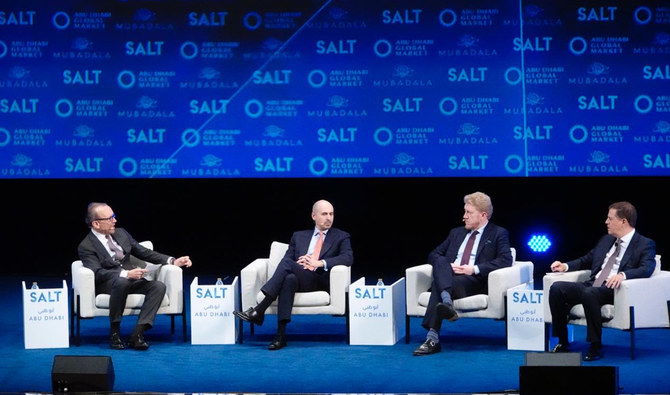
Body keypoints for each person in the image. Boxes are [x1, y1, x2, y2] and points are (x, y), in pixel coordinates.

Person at [234, 199, 353, 350]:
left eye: (331, 214)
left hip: (319, 279)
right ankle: (280, 336)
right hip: (298, 277)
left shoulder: (341, 236)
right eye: (324, 214)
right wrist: (300, 265)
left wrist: (319, 262)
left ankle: (259, 309)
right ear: (313, 216)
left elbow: (348, 257)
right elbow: (287, 259)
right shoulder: (299, 236)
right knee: (288, 278)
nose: (329, 217)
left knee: (288, 265)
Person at [548, 201, 656, 361]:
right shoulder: (607, 240)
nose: (606, 222)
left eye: (610, 218)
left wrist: (623, 275)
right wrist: (564, 266)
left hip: (614, 290)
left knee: (589, 292)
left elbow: (647, 268)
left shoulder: (644, 244)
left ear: (623, 221)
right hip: (593, 285)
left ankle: (595, 345)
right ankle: (563, 341)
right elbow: (587, 259)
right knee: (557, 288)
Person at [77, 202, 192, 350]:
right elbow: (98, 273)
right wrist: (125, 274)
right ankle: (115, 333)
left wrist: (172, 261)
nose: (115, 221)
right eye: (110, 218)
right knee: (122, 282)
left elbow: (144, 252)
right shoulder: (86, 246)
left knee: (158, 286)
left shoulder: (121, 233)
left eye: (114, 216)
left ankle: (137, 334)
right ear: (96, 224)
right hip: (109, 284)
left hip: (133, 280)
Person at [413, 191, 513, 356]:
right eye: (464, 211)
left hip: (473, 281)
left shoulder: (498, 233)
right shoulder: (456, 233)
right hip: (450, 277)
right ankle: (446, 302)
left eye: (468, 212)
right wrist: (449, 266)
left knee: (439, 283)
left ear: (483, 215)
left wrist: (473, 269)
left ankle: (433, 338)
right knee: (440, 261)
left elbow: (505, 260)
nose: (464, 216)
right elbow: (434, 254)